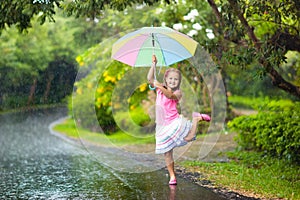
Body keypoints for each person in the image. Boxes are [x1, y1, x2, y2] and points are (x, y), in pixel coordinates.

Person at [147, 55, 211, 185]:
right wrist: (154, 64)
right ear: (165, 78)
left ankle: (196, 119)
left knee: (188, 138)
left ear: (178, 82)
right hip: (161, 125)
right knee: (167, 152)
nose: (173, 81)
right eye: (170, 78)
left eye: (176, 79)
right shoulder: (159, 90)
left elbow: (169, 95)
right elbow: (149, 78)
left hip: (174, 121)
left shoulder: (178, 92)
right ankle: (172, 176)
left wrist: (159, 85)